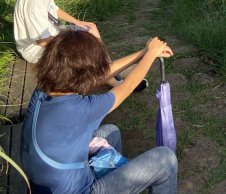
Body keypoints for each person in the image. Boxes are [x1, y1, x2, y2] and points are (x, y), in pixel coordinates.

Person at [21, 29, 177, 193]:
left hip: (48, 181)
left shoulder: (43, 91)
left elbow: (102, 74)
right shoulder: (80, 109)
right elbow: (127, 86)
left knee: (111, 132)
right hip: (81, 190)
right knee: (165, 160)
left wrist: (144, 52)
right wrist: (151, 54)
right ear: (83, 74)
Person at [13, 0, 147, 90]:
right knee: (84, 45)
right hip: (35, 50)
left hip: (52, 34)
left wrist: (77, 22)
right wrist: (72, 39)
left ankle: (107, 69)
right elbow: (41, 41)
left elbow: (54, 9)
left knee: (90, 28)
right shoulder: (33, 1)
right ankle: (112, 79)